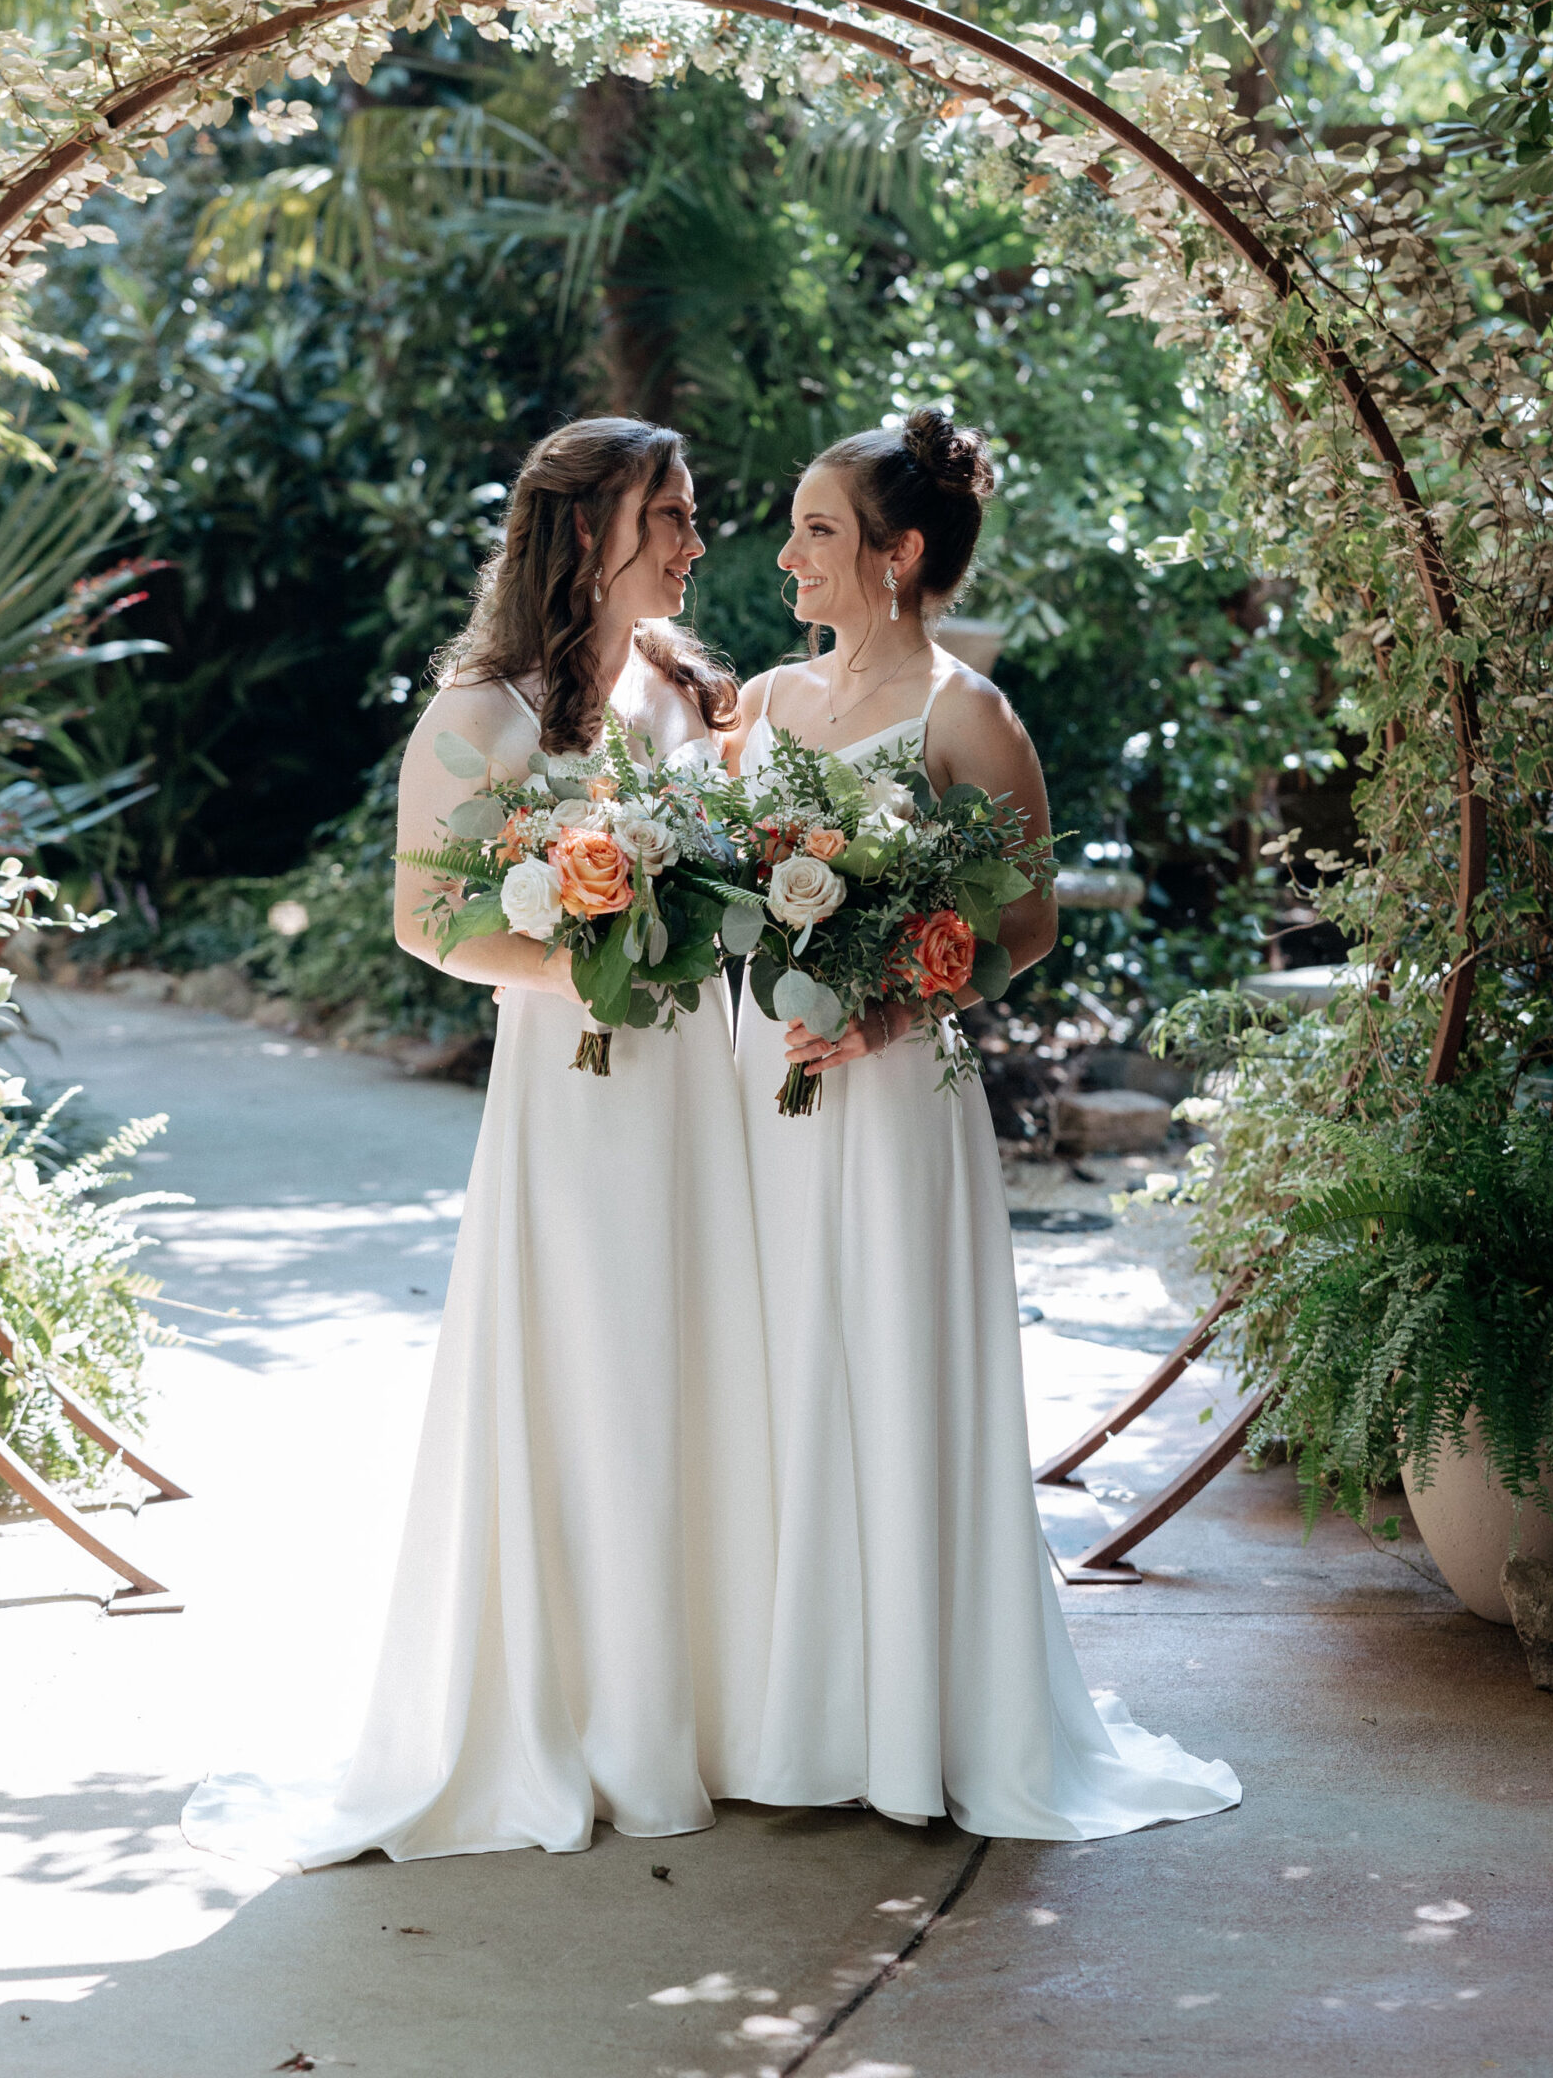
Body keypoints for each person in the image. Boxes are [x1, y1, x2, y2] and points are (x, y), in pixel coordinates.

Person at [184, 417, 775, 1867]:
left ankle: (716, 1702)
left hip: (707, 1076)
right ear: (591, 534)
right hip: (580, 1086)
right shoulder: (485, 713)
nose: (700, 542)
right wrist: (592, 954)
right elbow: (428, 920)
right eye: (673, 517)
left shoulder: (693, 686)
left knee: (707, 1359)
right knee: (597, 1366)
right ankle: (587, 1715)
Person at [727, 406, 1239, 1839]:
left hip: (892, 1096)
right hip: (760, 1087)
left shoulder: (967, 715)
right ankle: (792, 1707)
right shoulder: (761, 706)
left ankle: (918, 1718)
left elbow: (1021, 921)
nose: (788, 555)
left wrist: (890, 1011)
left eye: (818, 531)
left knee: (891, 1371)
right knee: (774, 1374)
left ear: (899, 553)